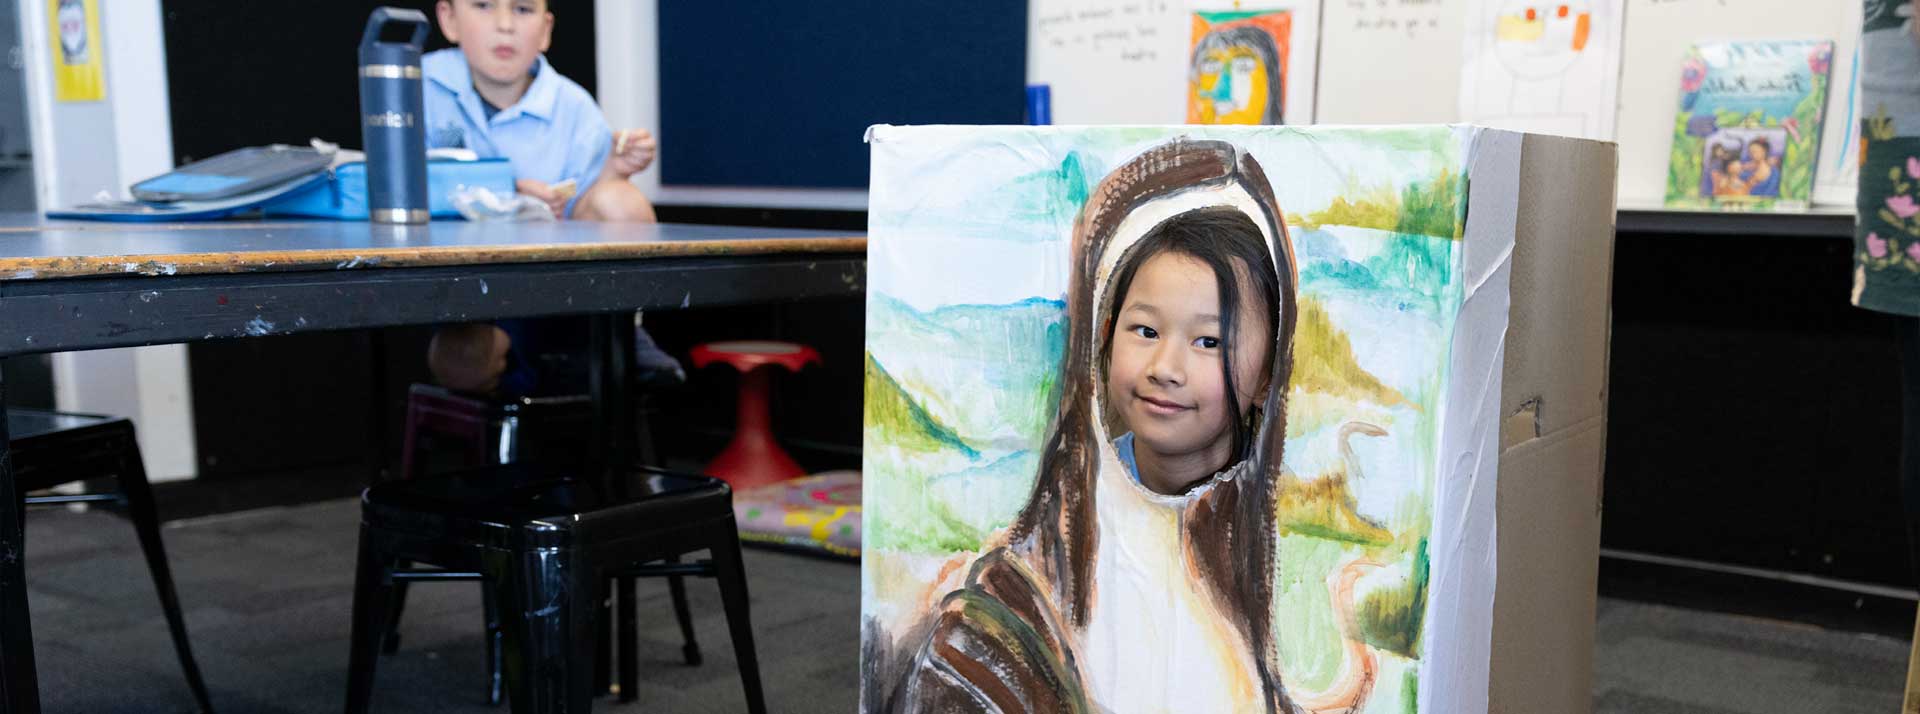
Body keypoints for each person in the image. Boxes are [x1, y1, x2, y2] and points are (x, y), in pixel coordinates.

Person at [866, 140, 1382, 713]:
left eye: (1209, 341)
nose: (1166, 369)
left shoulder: (1284, 586)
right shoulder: (1007, 612)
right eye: (1145, 331)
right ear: (1104, 335)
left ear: (1268, 374)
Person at [418, 0, 665, 395]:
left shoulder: (574, 105)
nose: (504, 25)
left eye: (522, 10)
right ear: (449, 19)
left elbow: (590, 201)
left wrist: (614, 170)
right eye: (483, 6)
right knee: (463, 360)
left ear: (546, 30)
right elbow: (397, 185)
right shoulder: (415, 87)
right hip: (465, 292)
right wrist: (506, 192)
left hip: (560, 293)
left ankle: (619, 329)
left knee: (622, 200)